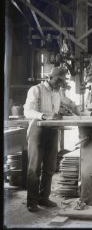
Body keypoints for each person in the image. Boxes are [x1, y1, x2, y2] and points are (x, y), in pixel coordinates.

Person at [23, 67, 80, 212]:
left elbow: (69, 103)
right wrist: (45, 116)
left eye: (62, 81)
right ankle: (32, 201)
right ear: (51, 78)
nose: (61, 84)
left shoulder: (58, 92)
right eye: (59, 80)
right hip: (38, 130)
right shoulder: (36, 90)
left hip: (52, 131)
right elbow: (27, 111)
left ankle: (44, 198)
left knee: (49, 168)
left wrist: (80, 112)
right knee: (34, 168)